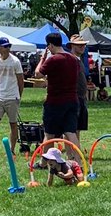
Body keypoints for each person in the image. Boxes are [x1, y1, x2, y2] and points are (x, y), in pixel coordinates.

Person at [35, 32, 82, 163]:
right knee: (70, 132)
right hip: (73, 100)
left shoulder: (53, 59)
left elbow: (38, 74)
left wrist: (42, 59)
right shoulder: (74, 59)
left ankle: (44, 163)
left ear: (50, 45)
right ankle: (78, 162)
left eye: (48, 46)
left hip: (55, 102)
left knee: (49, 133)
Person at [0, 37, 25, 154]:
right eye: (5, 46)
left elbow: (21, 81)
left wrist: (18, 96)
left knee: (13, 124)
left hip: (12, 97)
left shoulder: (15, 61)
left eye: (9, 46)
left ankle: (11, 149)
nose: (8, 48)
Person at [69, 34, 91, 135]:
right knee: (71, 128)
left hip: (81, 98)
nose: (82, 47)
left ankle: (76, 149)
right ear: (72, 46)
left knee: (78, 127)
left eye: (84, 45)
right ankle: (72, 149)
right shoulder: (70, 60)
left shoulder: (79, 59)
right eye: (79, 45)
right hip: (74, 97)